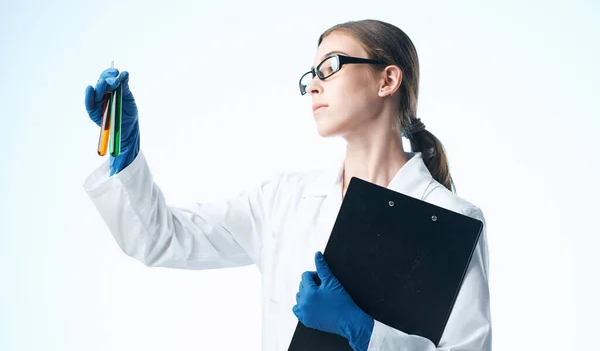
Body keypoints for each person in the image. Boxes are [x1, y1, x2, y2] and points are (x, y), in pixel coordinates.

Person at [83, 19, 492, 351]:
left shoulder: (453, 221)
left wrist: (367, 334)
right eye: (311, 75)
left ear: (387, 80)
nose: (313, 85)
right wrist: (126, 156)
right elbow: (161, 239)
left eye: (330, 67)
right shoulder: (283, 202)